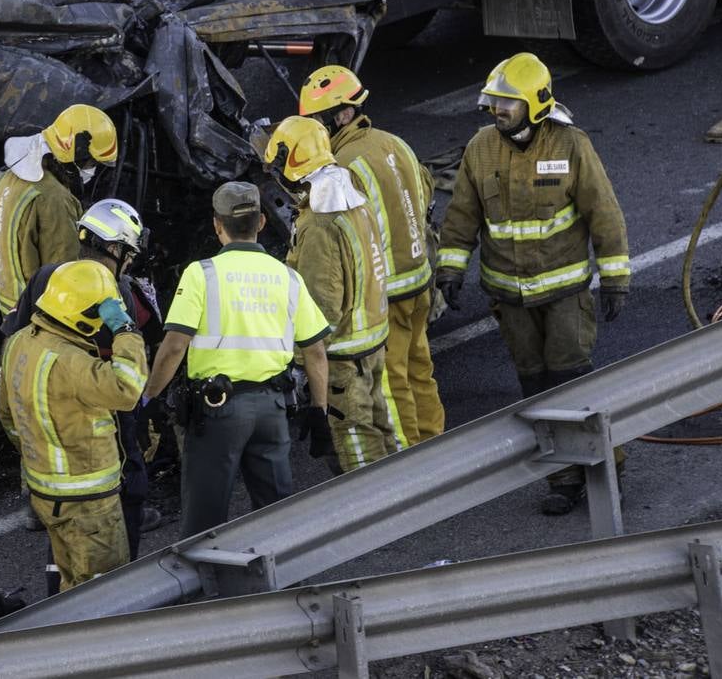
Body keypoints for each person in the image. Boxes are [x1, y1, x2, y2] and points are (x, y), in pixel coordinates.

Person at [435, 52, 630, 515]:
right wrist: (450, 270)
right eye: (494, 102)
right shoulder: (480, 148)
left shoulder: (571, 145)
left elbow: (604, 213)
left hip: (564, 297)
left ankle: (608, 467)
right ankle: (563, 478)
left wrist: (616, 278)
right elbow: (462, 214)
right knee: (537, 392)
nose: (497, 110)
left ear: (535, 104)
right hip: (510, 300)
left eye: (508, 103)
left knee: (572, 385)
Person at [146, 181, 334, 538]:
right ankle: (280, 588)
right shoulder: (287, 277)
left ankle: (210, 591)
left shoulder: (201, 275)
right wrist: (319, 411)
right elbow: (315, 350)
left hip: (219, 413)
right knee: (276, 515)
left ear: (217, 225)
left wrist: (149, 397)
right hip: (273, 410)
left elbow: (173, 346)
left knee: (205, 521)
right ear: (262, 222)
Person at [0, 199, 163, 580]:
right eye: (129, 252)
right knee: (109, 560)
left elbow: (14, 353)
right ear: (117, 248)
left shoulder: (48, 280)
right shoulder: (121, 293)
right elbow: (132, 381)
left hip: (51, 473)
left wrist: (36, 448)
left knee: (65, 553)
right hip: (106, 445)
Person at [297, 65, 444, 445]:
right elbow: (425, 194)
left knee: (391, 386)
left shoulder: (342, 167)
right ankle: (438, 446)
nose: (315, 130)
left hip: (388, 293)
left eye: (318, 120)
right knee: (419, 370)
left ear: (342, 113)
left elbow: (344, 237)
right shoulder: (395, 143)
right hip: (419, 280)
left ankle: (412, 465)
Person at [266, 117, 401, 475]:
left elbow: (321, 307)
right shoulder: (353, 198)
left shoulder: (319, 225)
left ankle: (372, 515)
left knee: (355, 444)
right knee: (381, 429)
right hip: (372, 342)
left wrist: (298, 361)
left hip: (341, 357)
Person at [0, 103, 119, 316]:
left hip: (9, 307)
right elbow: (65, 274)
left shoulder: (9, 178)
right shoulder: (55, 199)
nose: (91, 171)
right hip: (38, 315)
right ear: (75, 152)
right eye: (90, 163)